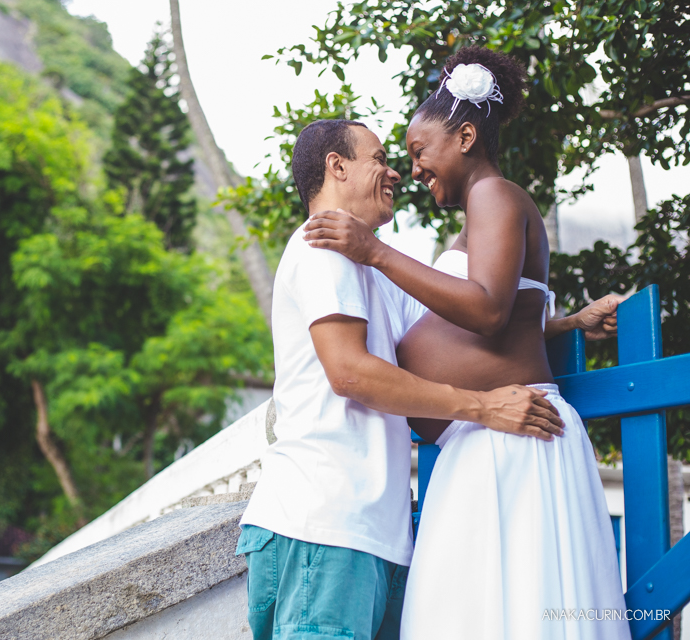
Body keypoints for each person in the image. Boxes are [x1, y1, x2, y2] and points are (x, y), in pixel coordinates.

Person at [235, 117, 614, 640]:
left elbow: (459, 327)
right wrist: (482, 407)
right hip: (323, 525)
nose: (395, 172)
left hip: (372, 532)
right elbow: (350, 373)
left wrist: (568, 322)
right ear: (336, 166)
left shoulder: (368, 266)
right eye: (379, 159)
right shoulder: (323, 244)